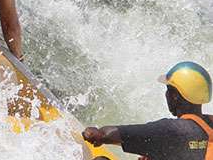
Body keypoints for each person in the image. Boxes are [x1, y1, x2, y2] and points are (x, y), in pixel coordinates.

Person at [82, 61, 212, 160]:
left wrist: (94, 133)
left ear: (174, 96)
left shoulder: (170, 130)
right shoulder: (209, 124)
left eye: (168, 90)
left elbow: (104, 135)